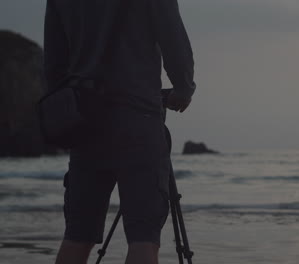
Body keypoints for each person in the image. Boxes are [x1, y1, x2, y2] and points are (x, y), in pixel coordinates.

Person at [43, 0, 196, 263]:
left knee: (78, 235)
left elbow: (54, 63)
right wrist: (183, 88)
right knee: (143, 236)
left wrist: (70, 107)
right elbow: (171, 32)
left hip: (84, 122)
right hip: (138, 116)